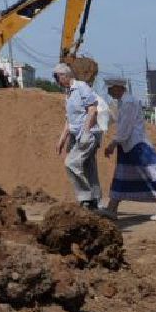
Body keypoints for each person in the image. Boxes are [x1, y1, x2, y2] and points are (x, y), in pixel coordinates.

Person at [103, 77, 156, 220]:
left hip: (136, 146)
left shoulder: (128, 102)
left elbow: (125, 128)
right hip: (128, 146)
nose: (109, 92)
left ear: (118, 87)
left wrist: (112, 144)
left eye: (110, 89)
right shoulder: (123, 102)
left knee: (149, 177)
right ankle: (112, 208)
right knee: (122, 177)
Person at [52, 62, 103, 210]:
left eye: (57, 77)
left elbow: (93, 110)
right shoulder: (68, 93)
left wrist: (86, 132)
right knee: (89, 169)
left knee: (71, 163)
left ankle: (86, 198)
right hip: (76, 136)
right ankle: (97, 204)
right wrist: (62, 139)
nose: (56, 81)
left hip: (88, 134)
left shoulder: (81, 87)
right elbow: (70, 119)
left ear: (65, 75)